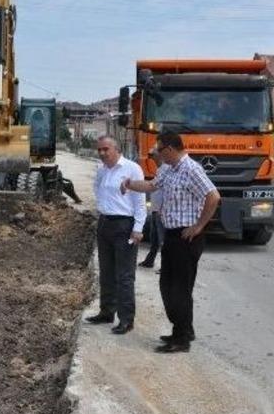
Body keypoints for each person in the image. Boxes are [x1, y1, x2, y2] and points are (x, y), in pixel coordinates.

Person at [121, 132, 220, 353]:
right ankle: (185, 329)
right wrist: (129, 184)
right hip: (172, 236)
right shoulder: (169, 169)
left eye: (160, 149)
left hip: (188, 238)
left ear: (171, 149)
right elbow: (151, 186)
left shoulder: (191, 169)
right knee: (169, 286)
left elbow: (213, 197)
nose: (158, 153)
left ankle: (181, 339)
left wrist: (199, 226)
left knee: (179, 289)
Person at [85, 135, 146, 335]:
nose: (102, 153)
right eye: (99, 150)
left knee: (124, 275)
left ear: (116, 149)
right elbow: (97, 190)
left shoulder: (131, 169)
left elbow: (139, 201)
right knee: (106, 271)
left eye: (105, 149)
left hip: (124, 225)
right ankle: (106, 312)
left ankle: (126, 319)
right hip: (105, 224)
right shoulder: (102, 170)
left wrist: (138, 228)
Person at [139, 147, 165, 269]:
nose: (151, 158)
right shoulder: (159, 169)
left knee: (162, 240)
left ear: (160, 155)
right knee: (154, 239)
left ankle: (166, 266)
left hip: (161, 211)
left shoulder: (166, 170)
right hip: (155, 210)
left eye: (153, 155)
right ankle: (149, 261)